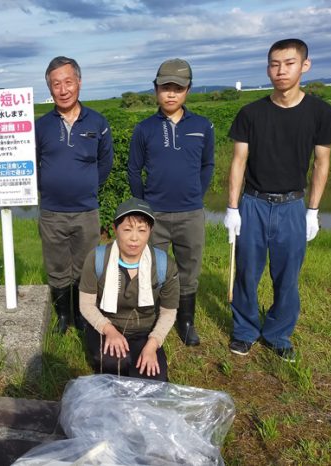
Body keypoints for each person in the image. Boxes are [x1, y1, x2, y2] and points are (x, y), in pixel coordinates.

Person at [224, 39, 331, 362]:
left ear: (305, 65)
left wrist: (312, 211)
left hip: (292, 205)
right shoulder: (251, 113)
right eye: (274, 64)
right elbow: (238, 161)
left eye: (288, 63)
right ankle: (245, 330)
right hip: (253, 203)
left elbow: (322, 164)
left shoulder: (321, 113)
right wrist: (232, 208)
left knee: (287, 275)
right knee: (246, 271)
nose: (280, 71)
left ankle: (277, 333)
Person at [127, 59, 214, 346]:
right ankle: (152, 321)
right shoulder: (144, 129)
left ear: (188, 89)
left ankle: (186, 322)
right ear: (156, 90)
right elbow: (133, 169)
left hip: (190, 213)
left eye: (178, 87)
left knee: (189, 269)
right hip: (156, 215)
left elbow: (207, 165)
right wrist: (144, 206)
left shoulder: (203, 125)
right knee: (153, 269)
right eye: (165, 87)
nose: (171, 93)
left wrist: (195, 195)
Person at [35, 56, 114, 333]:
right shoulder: (41, 125)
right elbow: (33, 164)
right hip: (52, 212)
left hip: (86, 210)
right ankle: (63, 316)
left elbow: (105, 162)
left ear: (79, 82)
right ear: (50, 88)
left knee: (86, 267)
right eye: (56, 84)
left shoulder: (98, 121)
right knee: (57, 267)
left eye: (68, 81)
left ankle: (83, 315)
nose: (63, 89)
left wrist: (89, 185)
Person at [79, 198, 179, 381]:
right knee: (115, 365)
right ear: (115, 229)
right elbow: (86, 304)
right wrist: (108, 329)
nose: (134, 238)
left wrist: (152, 344)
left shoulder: (165, 264)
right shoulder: (97, 259)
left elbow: (168, 312)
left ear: (150, 232)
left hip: (145, 331)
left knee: (154, 379)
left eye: (142, 230)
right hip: (107, 326)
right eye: (127, 229)